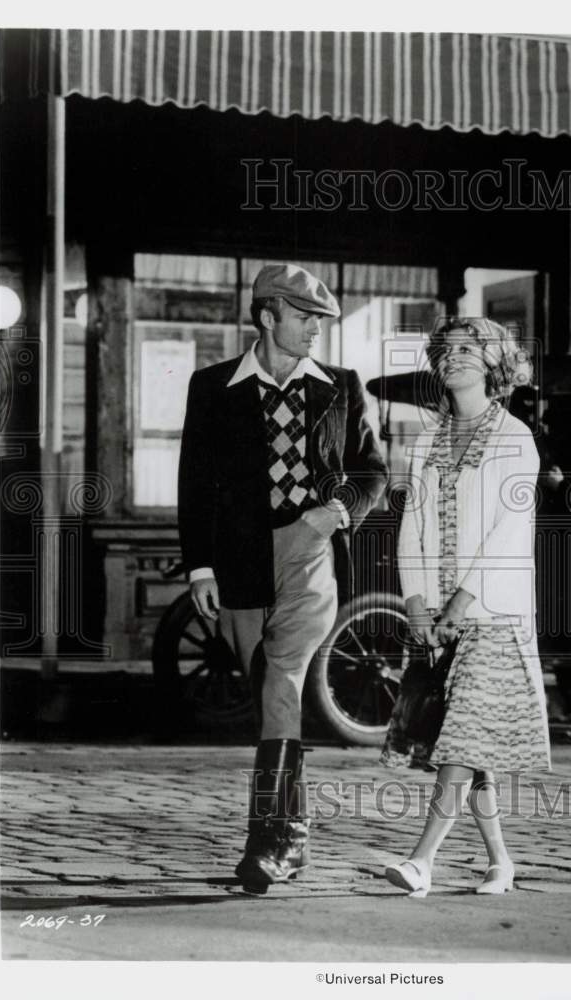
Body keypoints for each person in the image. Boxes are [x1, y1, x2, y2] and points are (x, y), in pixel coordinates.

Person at [178, 263, 387, 894]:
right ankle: (291, 838)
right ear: (267, 316)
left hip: (310, 556)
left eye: (322, 320)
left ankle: (268, 841)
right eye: (304, 318)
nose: (316, 331)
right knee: (269, 691)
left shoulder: (343, 387)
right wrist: (200, 566)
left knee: (283, 682)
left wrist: (335, 512)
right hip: (239, 561)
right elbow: (194, 481)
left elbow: (373, 472)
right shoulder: (212, 386)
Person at [381, 317, 551, 897]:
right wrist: (417, 605)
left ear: (493, 362)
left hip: (494, 615)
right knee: (468, 742)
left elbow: (509, 532)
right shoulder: (426, 439)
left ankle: (421, 860)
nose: (451, 358)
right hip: (438, 616)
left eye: (466, 349)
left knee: (463, 736)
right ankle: (501, 861)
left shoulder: (515, 438)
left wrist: (458, 603)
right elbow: (413, 527)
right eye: (444, 350)